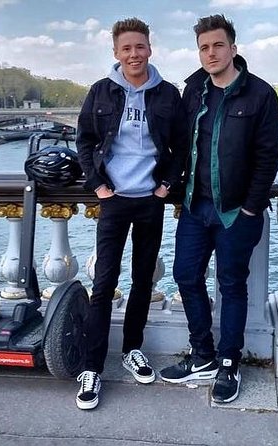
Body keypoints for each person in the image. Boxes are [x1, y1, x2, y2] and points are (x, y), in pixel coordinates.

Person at [159, 14, 278, 404]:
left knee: (231, 286)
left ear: (233, 47)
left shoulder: (260, 95)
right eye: (203, 47)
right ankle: (203, 354)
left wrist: (250, 209)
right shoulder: (193, 90)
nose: (210, 53)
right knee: (185, 275)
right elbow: (180, 145)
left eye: (217, 45)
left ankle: (229, 361)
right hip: (196, 206)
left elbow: (267, 157)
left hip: (235, 213)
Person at [75, 17, 188, 410]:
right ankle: (91, 367)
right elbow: (85, 140)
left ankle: (132, 348)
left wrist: (165, 187)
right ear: (116, 53)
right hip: (115, 199)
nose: (134, 54)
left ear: (150, 49)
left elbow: (181, 146)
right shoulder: (101, 91)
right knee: (104, 282)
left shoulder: (167, 95)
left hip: (149, 201)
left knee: (143, 279)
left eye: (140, 47)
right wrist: (98, 186)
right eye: (126, 48)